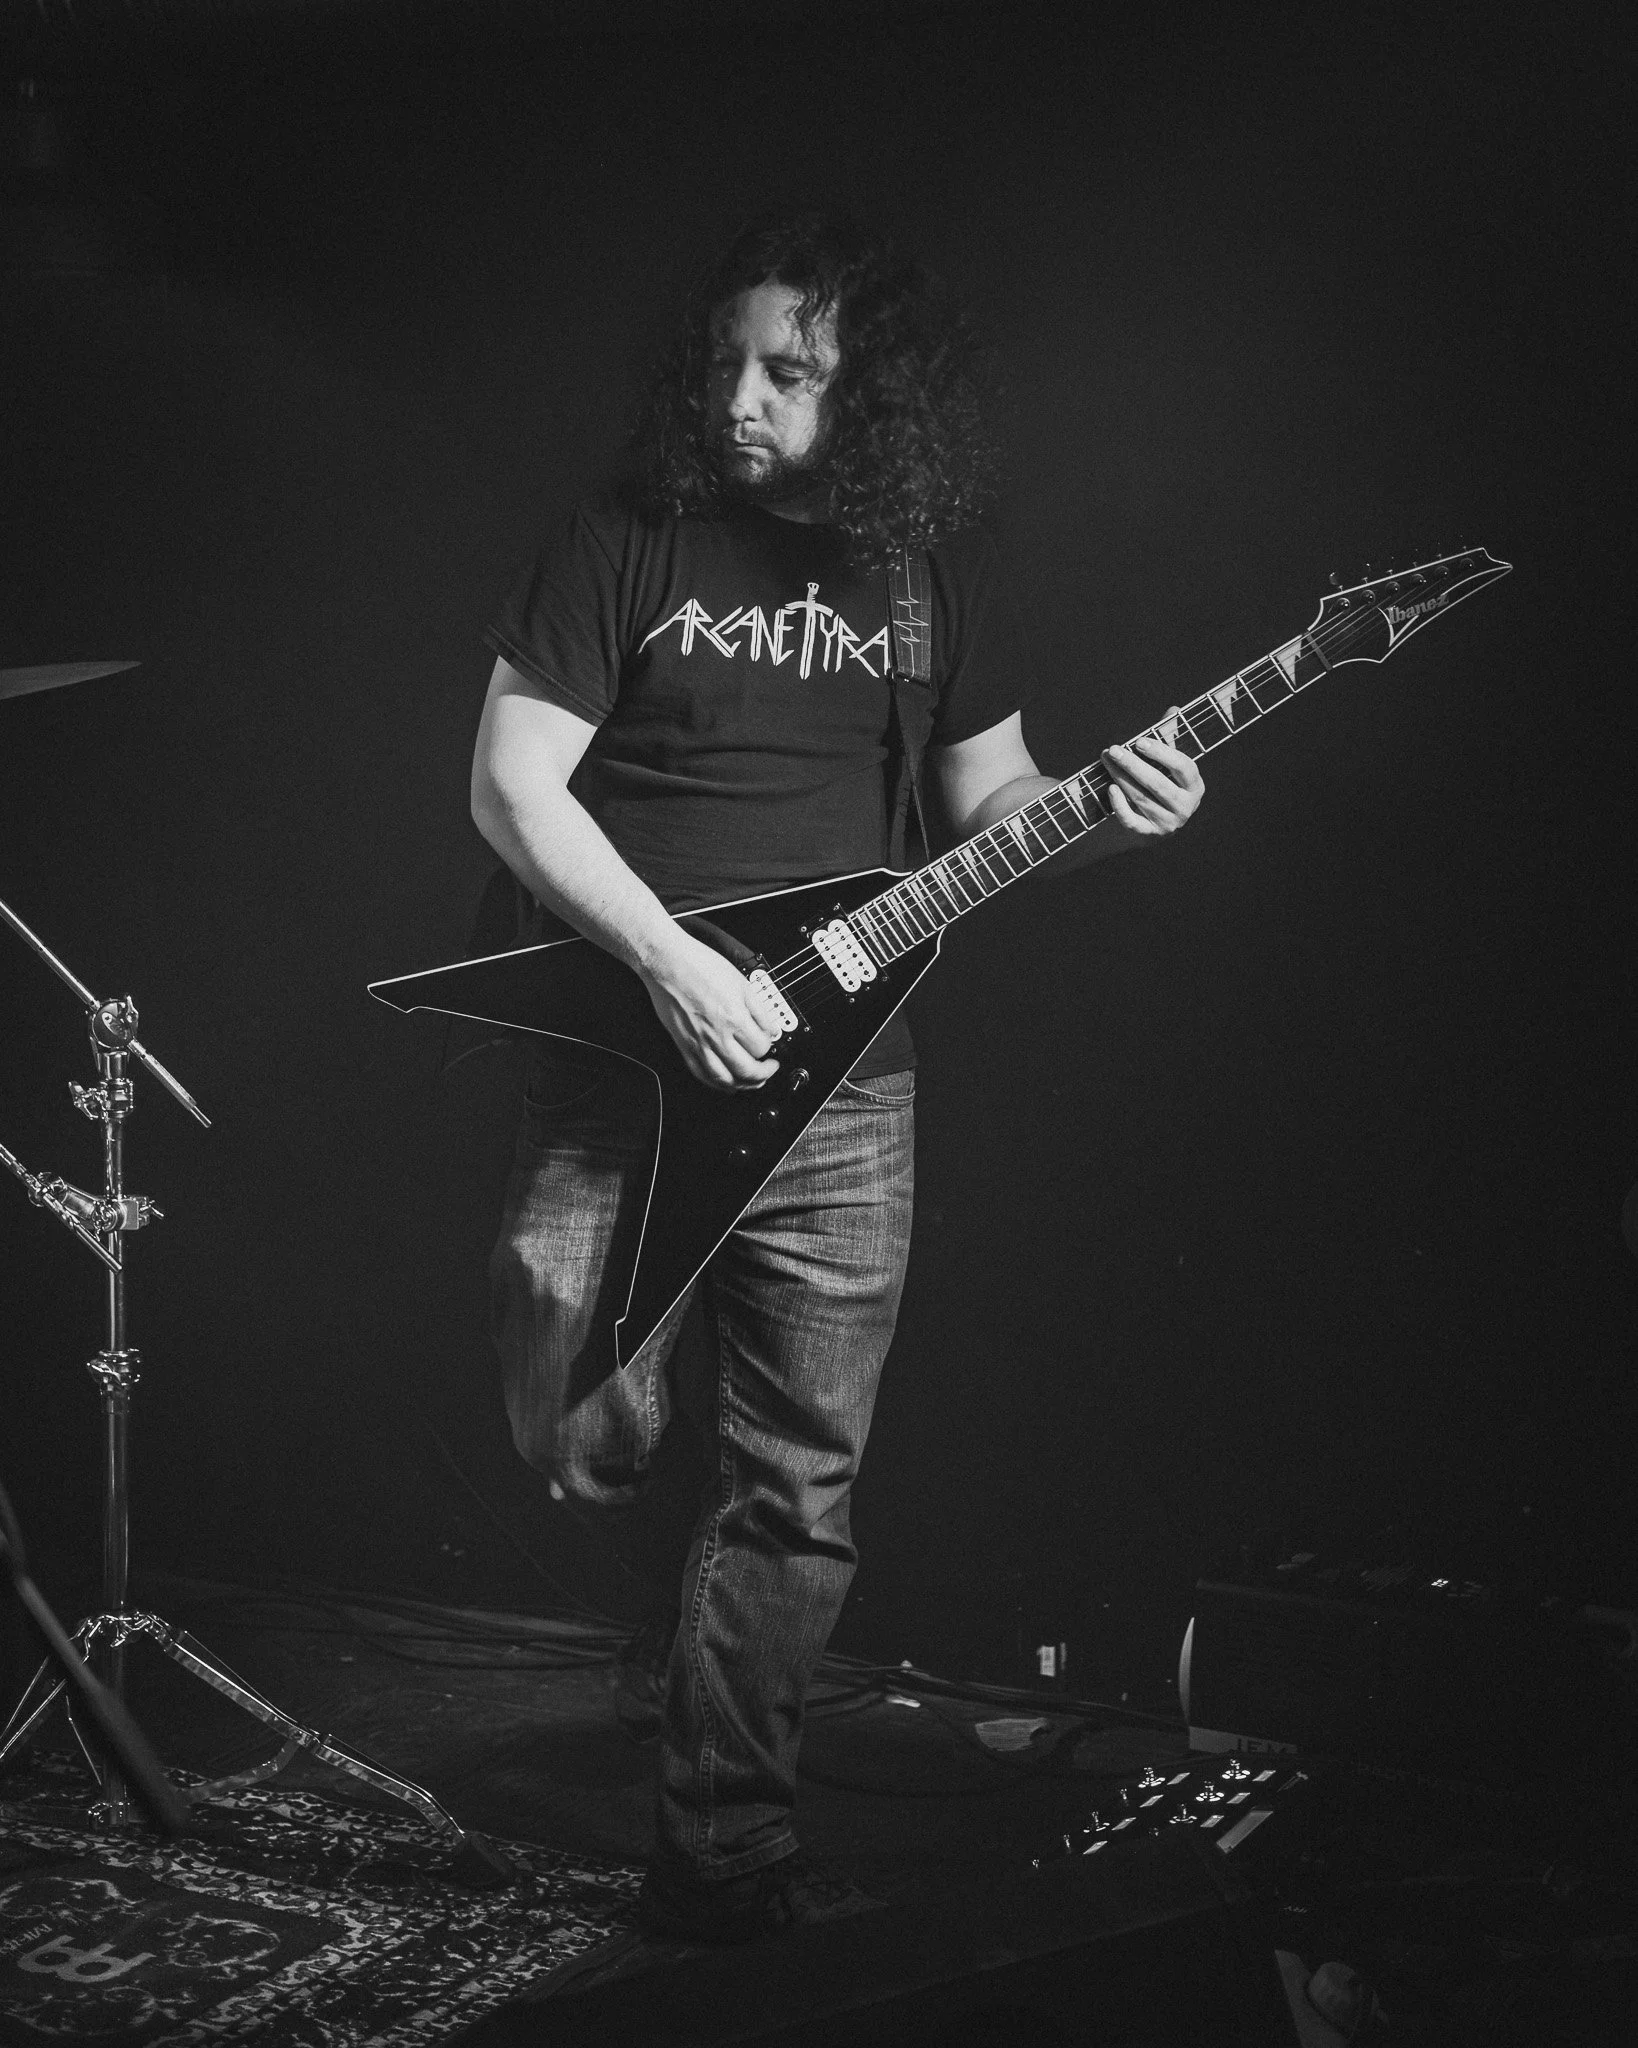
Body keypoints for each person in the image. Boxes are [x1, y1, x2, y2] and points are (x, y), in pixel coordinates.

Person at [470, 211, 1203, 1943]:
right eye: (726, 362)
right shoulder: (623, 535)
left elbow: (991, 815)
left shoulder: (925, 567)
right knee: (577, 1429)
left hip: (845, 1082)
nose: (744, 399)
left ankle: (722, 1855)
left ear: (869, 399)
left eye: (788, 374)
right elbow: (511, 786)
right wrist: (671, 961)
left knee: (797, 1478)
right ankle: (652, 1542)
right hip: (622, 1053)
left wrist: (1109, 815)